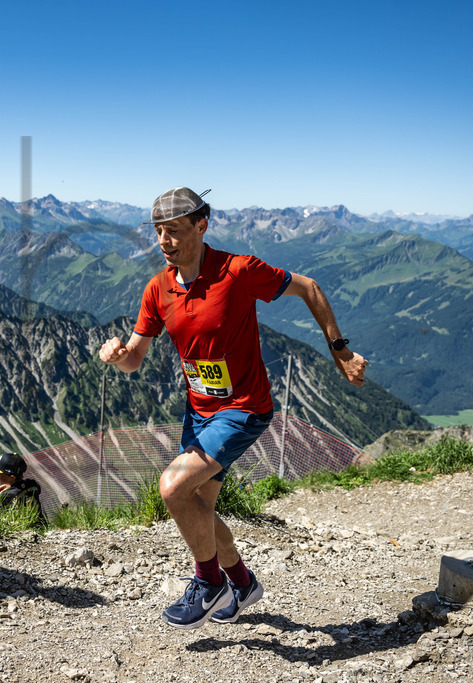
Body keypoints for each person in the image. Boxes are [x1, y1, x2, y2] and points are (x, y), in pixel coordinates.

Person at [98, 187, 368, 629]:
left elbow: (309, 288)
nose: (164, 241)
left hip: (244, 409)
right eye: (159, 232)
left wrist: (340, 350)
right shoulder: (158, 288)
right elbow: (134, 359)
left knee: (172, 488)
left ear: (202, 225)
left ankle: (209, 583)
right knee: (197, 506)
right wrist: (118, 355)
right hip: (199, 412)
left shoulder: (238, 271)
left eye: (174, 230)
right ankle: (242, 583)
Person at [0, 452, 44, 516]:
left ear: (12, 477)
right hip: (40, 522)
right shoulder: (33, 484)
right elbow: (22, 489)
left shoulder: (6, 496)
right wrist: (11, 487)